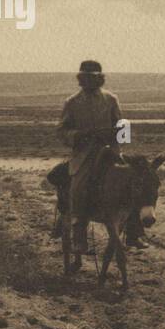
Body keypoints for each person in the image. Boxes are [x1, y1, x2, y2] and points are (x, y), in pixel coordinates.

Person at [57, 60, 124, 252]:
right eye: (86, 77)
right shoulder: (72, 102)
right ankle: (79, 235)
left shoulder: (111, 99)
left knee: (136, 178)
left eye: (94, 77)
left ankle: (135, 230)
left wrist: (115, 136)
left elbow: (122, 125)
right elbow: (62, 130)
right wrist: (79, 135)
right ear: (81, 79)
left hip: (110, 150)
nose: (90, 81)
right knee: (78, 187)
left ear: (100, 79)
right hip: (84, 154)